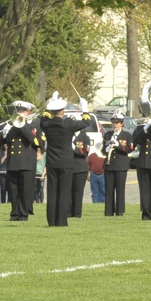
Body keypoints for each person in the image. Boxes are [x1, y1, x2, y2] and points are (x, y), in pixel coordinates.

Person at [41, 93, 92, 227]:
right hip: (66, 162)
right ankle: (61, 221)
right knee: (64, 192)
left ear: (51, 111)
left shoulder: (46, 124)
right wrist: (84, 109)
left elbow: (44, 117)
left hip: (52, 162)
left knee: (52, 192)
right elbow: (86, 122)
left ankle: (51, 221)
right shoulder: (68, 123)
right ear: (63, 111)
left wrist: (50, 103)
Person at [2, 101, 41, 221]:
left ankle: (24, 214)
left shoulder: (33, 126)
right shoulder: (12, 126)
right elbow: (6, 141)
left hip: (26, 163)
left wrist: (21, 125)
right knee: (13, 191)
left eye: (22, 111)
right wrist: (13, 127)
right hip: (13, 162)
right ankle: (14, 214)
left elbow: (33, 140)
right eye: (18, 111)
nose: (19, 113)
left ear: (29, 112)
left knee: (25, 191)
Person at [102, 113, 133, 216]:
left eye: (117, 123)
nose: (115, 125)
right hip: (109, 165)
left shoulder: (127, 135)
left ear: (122, 124)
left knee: (120, 189)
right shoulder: (107, 134)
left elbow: (129, 149)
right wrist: (106, 149)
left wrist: (118, 145)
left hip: (121, 165)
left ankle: (120, 211)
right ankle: (108, 212)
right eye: (113, 122)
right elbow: (103, 148)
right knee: (109, 190)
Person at [69, 128, 91, 218]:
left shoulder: (85, 137)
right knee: (68, 191)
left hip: (80, 167)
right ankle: (68, 212)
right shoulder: (68, 135)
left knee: (78, 192)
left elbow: (86, 152)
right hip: (68, 166)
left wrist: (75, 148)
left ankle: (77, 213)